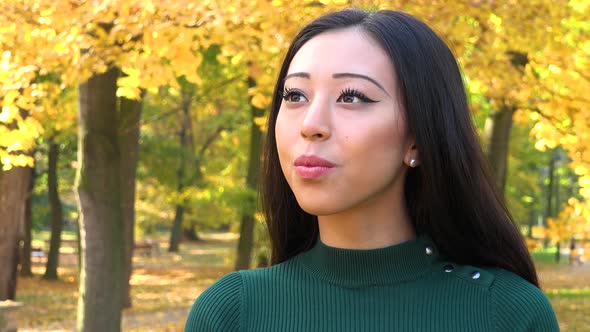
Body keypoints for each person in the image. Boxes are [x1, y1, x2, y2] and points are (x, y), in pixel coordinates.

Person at [184, 9, 559, 331]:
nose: (311, 124)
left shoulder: (506, 314)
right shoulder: (231, 313)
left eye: (352, 97)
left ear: (417, 139)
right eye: (295, 95)